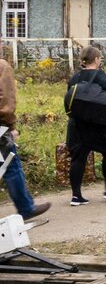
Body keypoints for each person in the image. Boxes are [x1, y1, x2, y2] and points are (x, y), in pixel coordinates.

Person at [66, 46, 106, 204]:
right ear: (97, 60)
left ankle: (76, 196)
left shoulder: (75, 77)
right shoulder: (100, 76)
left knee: (78, 158)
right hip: (97, 124)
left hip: (77, 124)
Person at [0, 57, 49, 219]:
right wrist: (10, 126)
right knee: (11, 166)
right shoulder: (2, 66)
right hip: (0, 127)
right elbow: (6, 99)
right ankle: (26, 207)